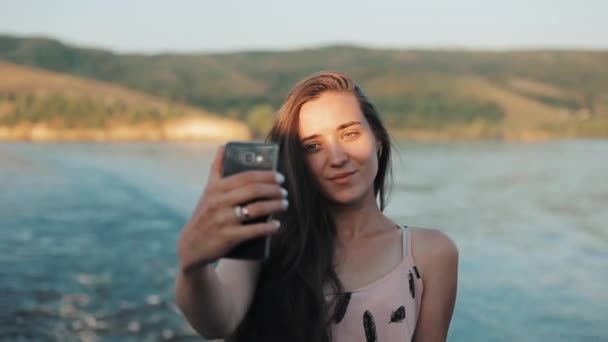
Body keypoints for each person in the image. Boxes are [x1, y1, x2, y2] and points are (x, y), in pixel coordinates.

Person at [175, 71, 458, 341]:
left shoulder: (429, 254)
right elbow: (217, 321)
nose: (337, 157)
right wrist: (193, 265)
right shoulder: (265, 238)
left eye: (349, 134)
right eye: (312, 146)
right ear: (297, 160)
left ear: (377, 138)